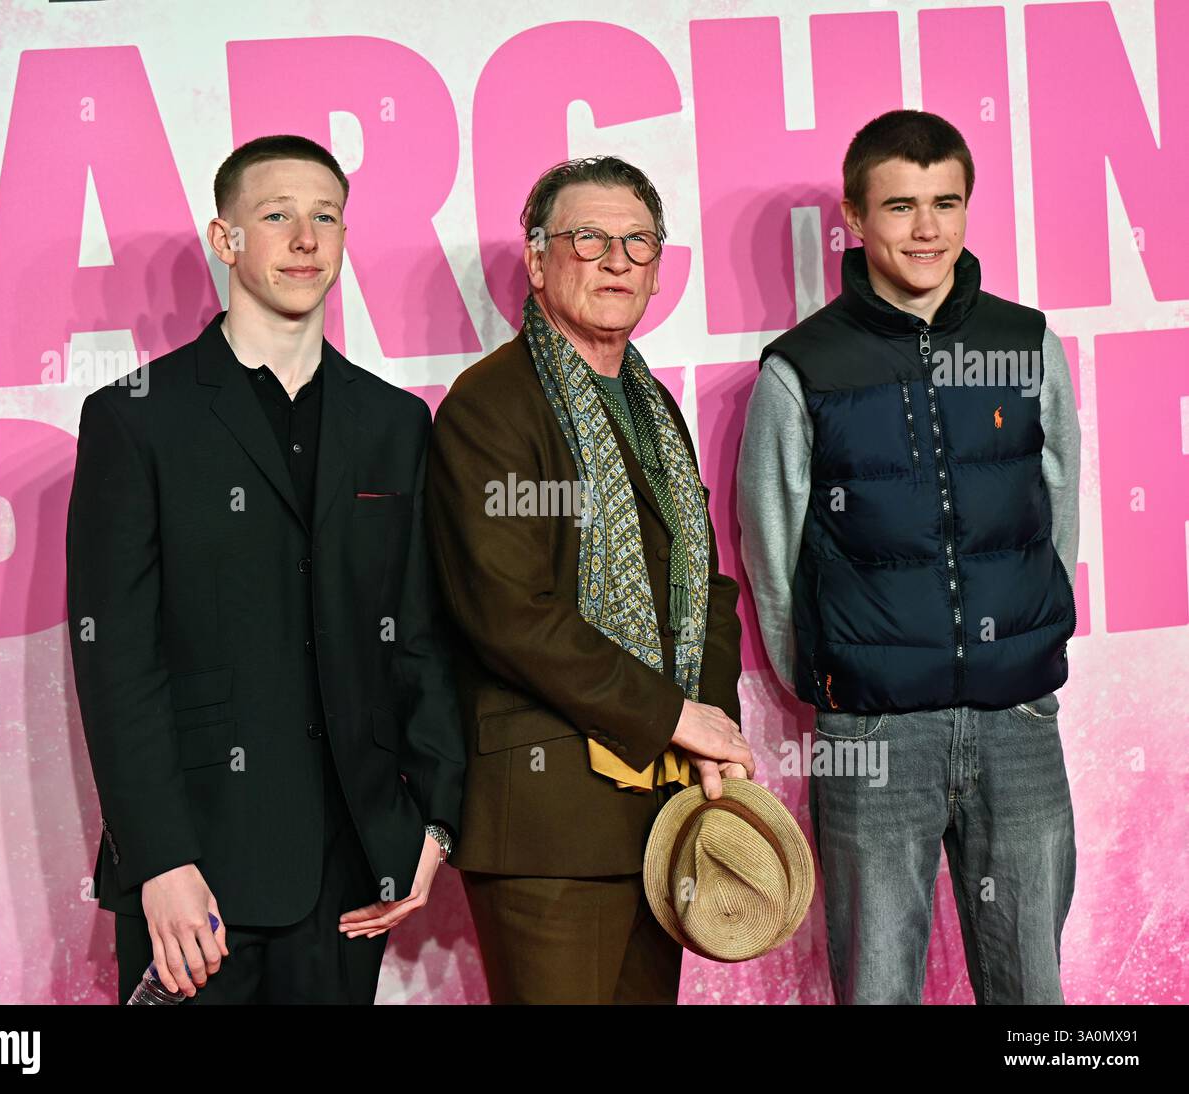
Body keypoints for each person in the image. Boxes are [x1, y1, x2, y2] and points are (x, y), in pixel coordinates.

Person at [67, 134, 464, 1004]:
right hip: (196, 875)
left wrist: (433, 821)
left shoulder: (394, 423)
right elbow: (114, 661)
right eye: (275, 216)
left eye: (325, 217)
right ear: (226, 240)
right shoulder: (136, 420)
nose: (305, 239)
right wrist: (160, 859)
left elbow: (419, 634)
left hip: (352, 868)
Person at [737, 110, 1080, 1004]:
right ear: (854, 218)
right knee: (879, 986)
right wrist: (838, 679)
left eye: (945, 202)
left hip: (1018, 721)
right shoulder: (801, 367)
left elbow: (1059, 509)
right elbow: (772, 552)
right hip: (874, 735)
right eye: (899, 206)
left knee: (1033, 991)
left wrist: (1027, 654)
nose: (926, 228)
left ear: (967, 208)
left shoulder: (1026, 342)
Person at [426, 156, 753, 1005]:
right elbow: (508, 612)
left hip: (664, 816)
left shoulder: (651, 403)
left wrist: (710, 731)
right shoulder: (490, 403)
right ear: (537, 261)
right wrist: (676, 716)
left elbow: (706, 589)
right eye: (589, 238)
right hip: (550, 828)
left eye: (637, 242)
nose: (616, 260)